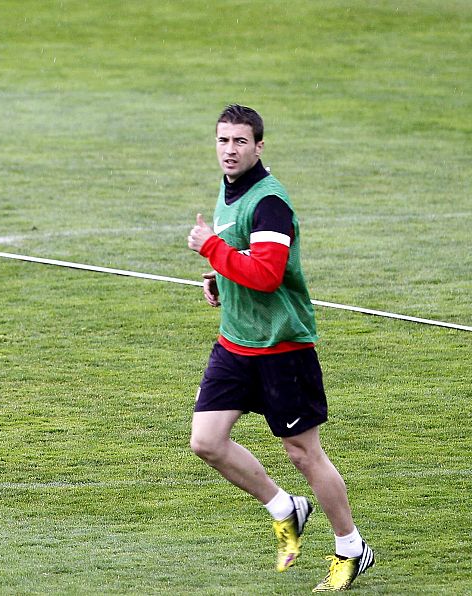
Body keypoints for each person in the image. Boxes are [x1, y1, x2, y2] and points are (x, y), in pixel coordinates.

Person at [186, 105, 374, 592]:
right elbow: (245, 258)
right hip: (236, 343)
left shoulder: (270, 202)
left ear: (259, 146)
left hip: (282, 348)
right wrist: (221, 279)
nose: (230, 150)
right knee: (206, 441)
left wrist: (210, 249)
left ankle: (352, 547)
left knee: (304, 454)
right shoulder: (230, 191)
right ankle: (284, 507)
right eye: (223, 141)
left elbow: (268, 275)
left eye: (240, 142)